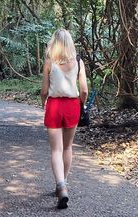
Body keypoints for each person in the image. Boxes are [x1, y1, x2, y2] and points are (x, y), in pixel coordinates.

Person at [40, 29, 88, 209]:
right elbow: (84, 90)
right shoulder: (78, 62)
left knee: (55, 150)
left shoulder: (49, 62)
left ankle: (60, 185)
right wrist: (81, 105)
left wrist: (43, 102)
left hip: (54, 106)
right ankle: (63, 183)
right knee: (67, 147)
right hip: (72, 106)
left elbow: (44, 91)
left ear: (54, 43)